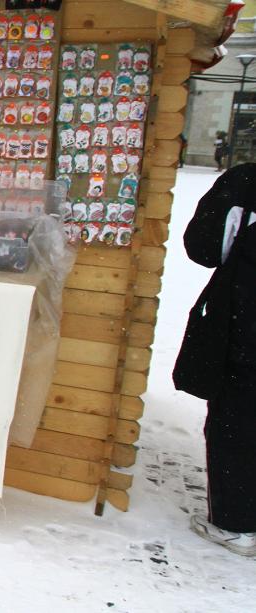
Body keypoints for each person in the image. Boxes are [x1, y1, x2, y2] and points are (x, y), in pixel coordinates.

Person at [174, 164, 256, 558]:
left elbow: (204, 246)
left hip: (246, 323)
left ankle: (236, 524)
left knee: (236, 422)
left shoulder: (245, 182)